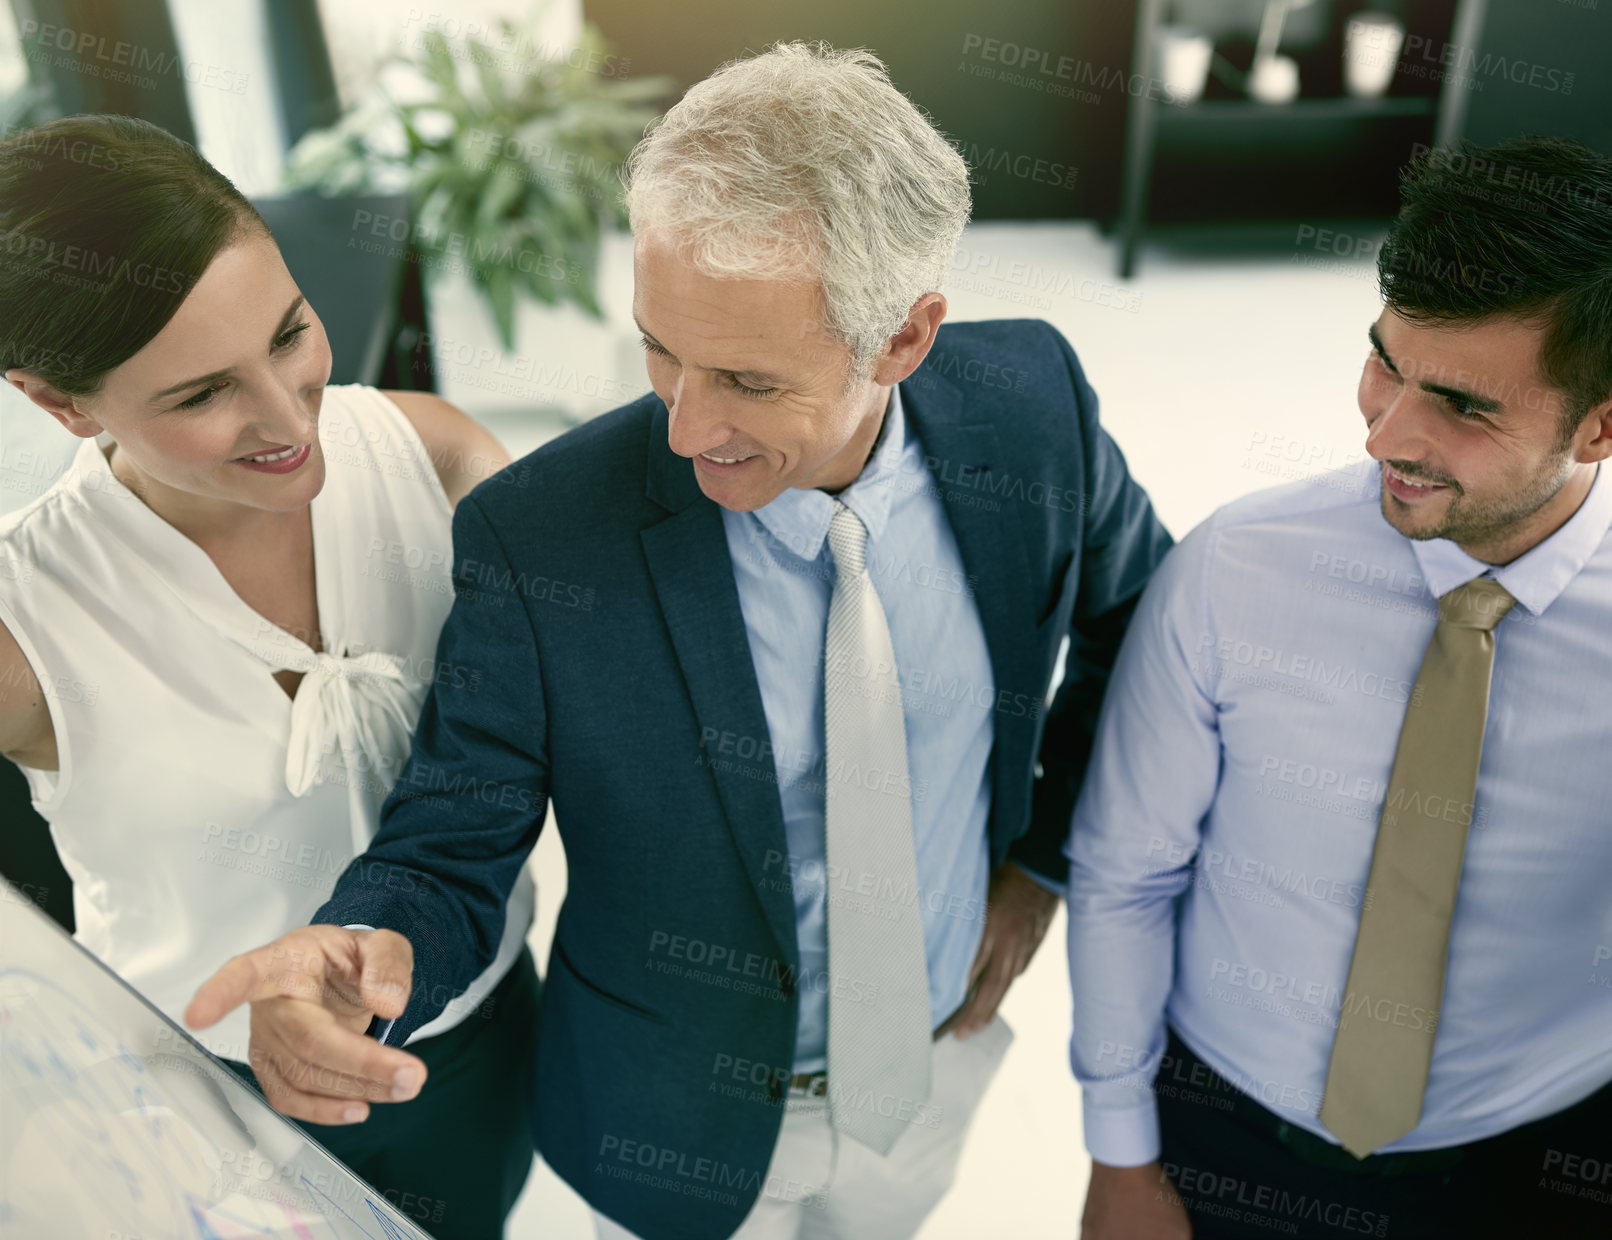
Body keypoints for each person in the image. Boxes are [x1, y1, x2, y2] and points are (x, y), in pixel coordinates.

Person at [187, 41, 1172, 1240]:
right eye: (661, 348)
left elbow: (1144, 629)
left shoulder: (1034, 408)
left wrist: (1042, 869)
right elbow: (454, 830)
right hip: (674, 1129)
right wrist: (368, 944)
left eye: (748, 381)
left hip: (931, 1068)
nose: (686, 422)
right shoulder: (544, 533)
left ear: (904, 341)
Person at [0, 114, 540, 1239]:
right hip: (207, 1106)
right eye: (202, 396)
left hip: (477, 1034)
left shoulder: (432, 455)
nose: (291, 416)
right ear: (58, 402)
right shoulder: (22, 621)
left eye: (291, 332)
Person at [1068, 136, 1612, 1240]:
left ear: (1599, 424)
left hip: (1541, 1168)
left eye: (1461, 406)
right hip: (1225, 1142)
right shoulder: (1235, 569)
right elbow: (1126, 874)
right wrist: (1120, 1158)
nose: (1384, 431)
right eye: (1384, 363)